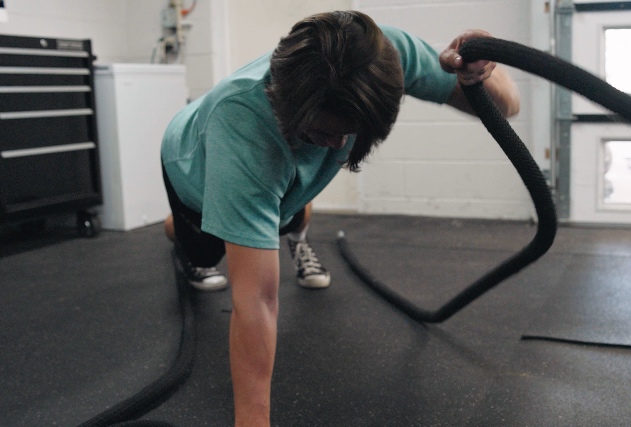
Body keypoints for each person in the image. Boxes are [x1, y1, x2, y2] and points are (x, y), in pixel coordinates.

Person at [160, 10, 519, 426]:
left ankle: (291, 225)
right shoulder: (243, 127)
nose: (336, 144)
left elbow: (507, 105)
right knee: (207, 248)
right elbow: (257, 300)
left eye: (347, 131)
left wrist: (477, 75)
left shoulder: (384, 55)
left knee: (282, 208)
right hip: (192, 169)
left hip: (272, 175)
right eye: (321, 131)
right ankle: (187, 231)